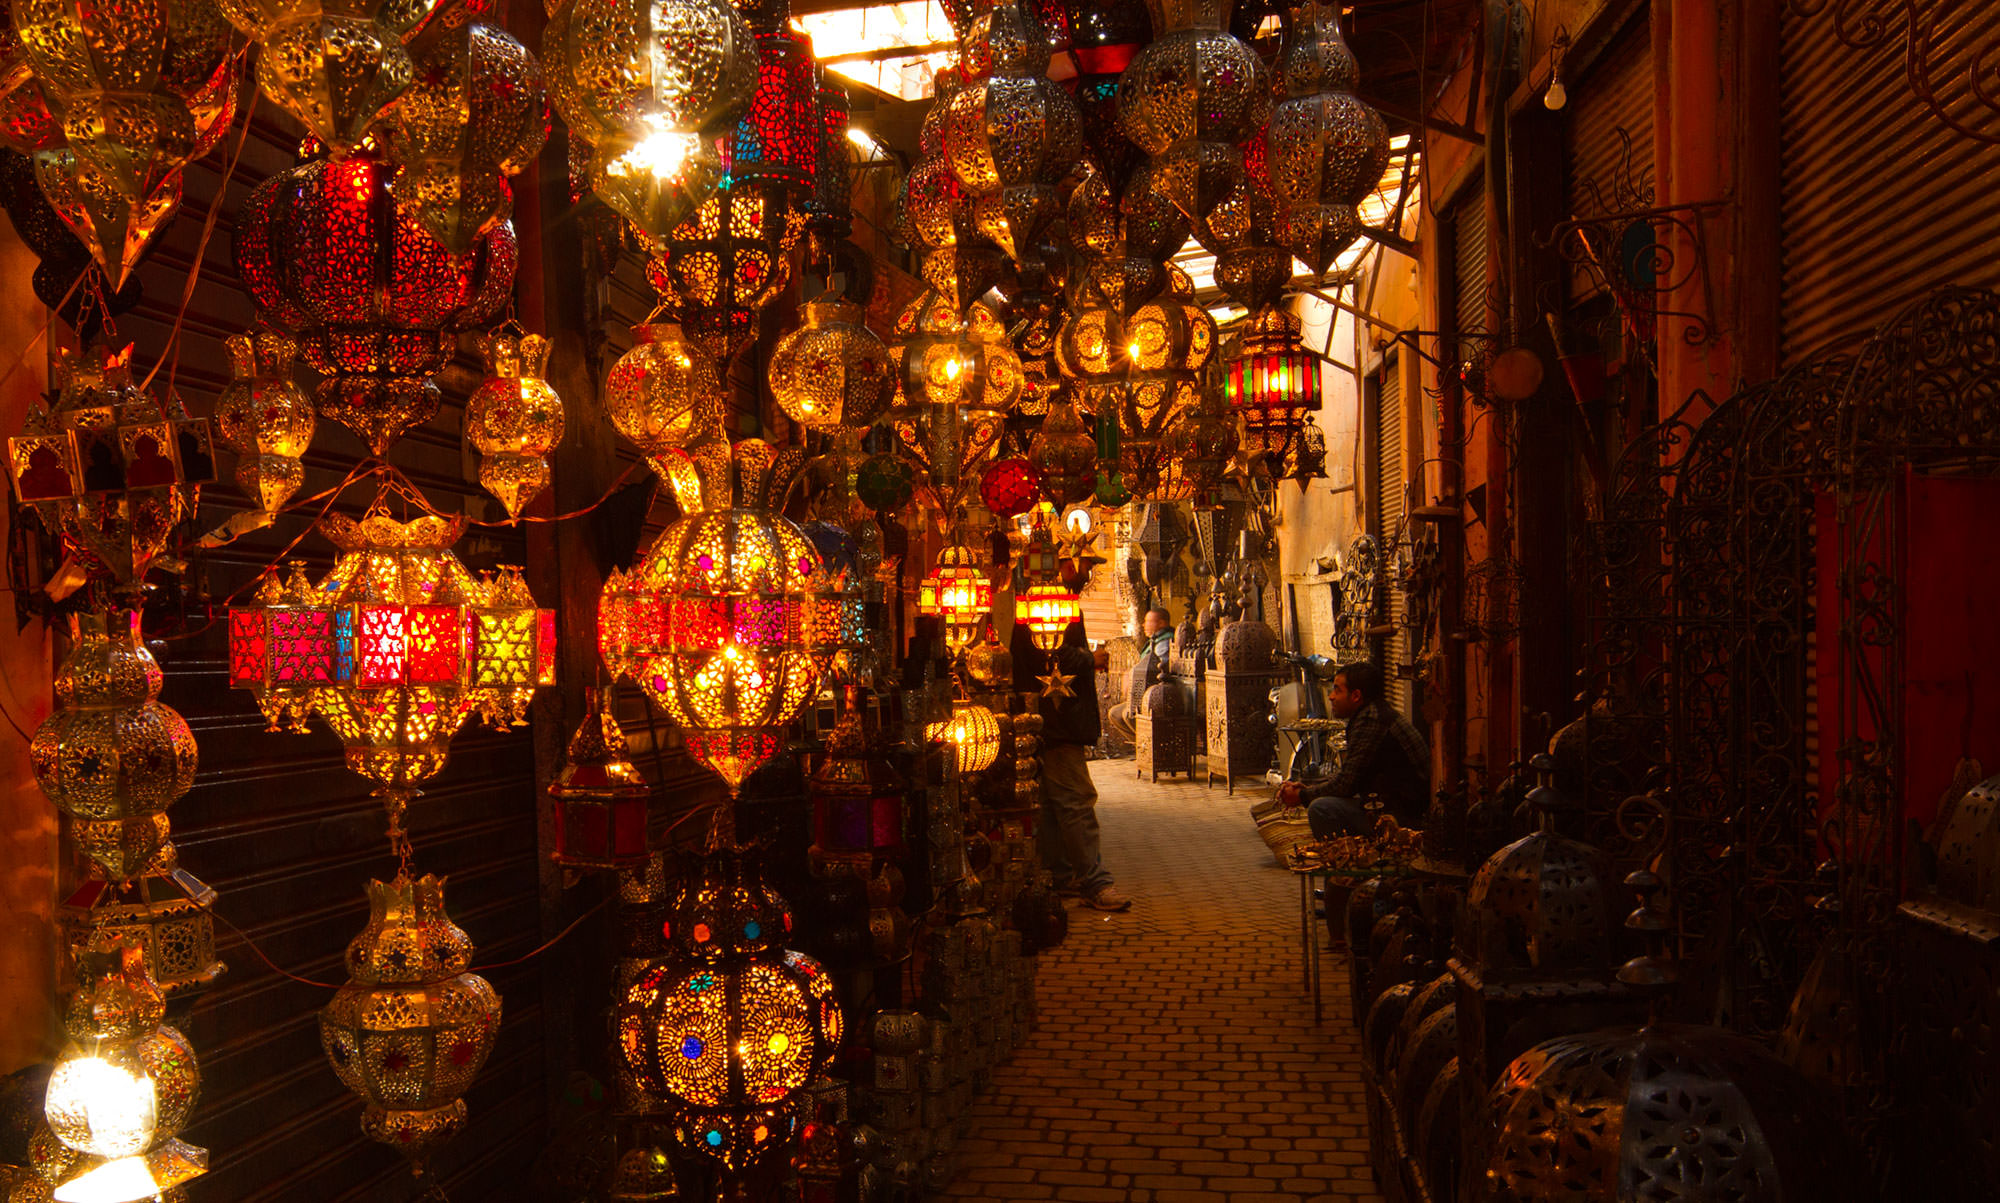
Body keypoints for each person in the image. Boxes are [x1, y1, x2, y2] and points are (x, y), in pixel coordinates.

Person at [1020, 618, 1131, 912]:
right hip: (1056, 724)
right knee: (1076, 801)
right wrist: (1086, 658)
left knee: (1052, 805)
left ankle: (1059, 875)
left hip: (1052, 723)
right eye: (1084, 567)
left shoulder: (1059, 602)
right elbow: (1046, 654)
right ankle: (1095, 882)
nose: (1087, 570)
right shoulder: (1045, 602)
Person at [1306, 660, 1431, 839]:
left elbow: (1345, 784)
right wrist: (1308, 789)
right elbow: (1350, 776)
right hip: (1392, 803)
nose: (1331, 696)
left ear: (1356, 696)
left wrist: (1303, 795)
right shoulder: (1369, 714)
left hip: (1405, 816)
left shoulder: (1371, 720)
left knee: (1321, 809)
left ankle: (1348, 860)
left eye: (1337, 690)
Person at [1105, 606, 1174, 744]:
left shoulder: (1165, 642)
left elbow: (1158, 667)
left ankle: (1153, 745)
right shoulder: (1154, 641)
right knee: (1115, 713)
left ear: (1161, 623)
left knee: (1129, 715)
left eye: (1148, 621)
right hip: (1144, 693)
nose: (1144, 625)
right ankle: (1143, 746)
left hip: (1158, 694)